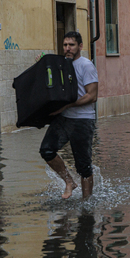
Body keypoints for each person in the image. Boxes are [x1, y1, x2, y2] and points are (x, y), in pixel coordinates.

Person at [39, 31, 99, 200]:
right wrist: (41, 65)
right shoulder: (62, 65)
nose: (67, 48)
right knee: (46, 150)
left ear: (80, 46)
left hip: (83, 120)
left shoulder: (86, 66)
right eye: (65, 45)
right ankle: (69, 181)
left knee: (83, 166)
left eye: (71, 45)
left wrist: (68, 105)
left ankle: (86, 203)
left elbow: (92, 96)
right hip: (64, 118)